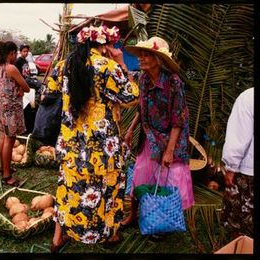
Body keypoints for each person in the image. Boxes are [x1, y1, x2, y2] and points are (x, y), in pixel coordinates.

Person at [49, 25, 139, 252]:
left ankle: (58, 239)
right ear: (105, 45)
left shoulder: (63, 66)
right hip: (102, 149)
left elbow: (49, 91)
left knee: (68, 187)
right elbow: (132, 96)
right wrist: (121, 63)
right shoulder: (108, 67)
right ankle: (110, 236)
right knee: (108, 189)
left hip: (71, 144)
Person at [122, 37, 195, 238]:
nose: (141, 59)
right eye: (141, 55)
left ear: (157, 59)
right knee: (139, 174)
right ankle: (133, 215)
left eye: (146, 55)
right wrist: (130, 130)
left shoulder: (173, 82)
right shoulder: (143, 79)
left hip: (173, 137)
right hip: (150, 137)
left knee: (167, 179)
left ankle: (162, 219)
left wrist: (170, 151)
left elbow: (178, 120)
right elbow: (141, 108)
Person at [0, 41, 30, 187]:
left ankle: (3, 167)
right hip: (10, 108)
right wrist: (21, 89)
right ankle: (7, 175)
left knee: (3, 137)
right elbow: (26, 87)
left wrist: (18, 89)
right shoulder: (11, 68)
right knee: (10, 139)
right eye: (14, 53)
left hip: (1, 105)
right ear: (11, 53)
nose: (15, 56)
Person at [221, 87, 253, 239]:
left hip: (248, 171)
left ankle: (240, 244)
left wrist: (231, 166)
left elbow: (239, 136)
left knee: (240, 217)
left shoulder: (248, 98)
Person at [14, 44, 40, 134]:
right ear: (20, 52)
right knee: (25, 107)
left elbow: (26, 73)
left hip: (26, 84)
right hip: (21, 86)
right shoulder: (18, 62)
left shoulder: (25, 61)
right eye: (24, 51)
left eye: (27, 51)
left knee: (30, 106)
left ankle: (28, 127)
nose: (25, 53)